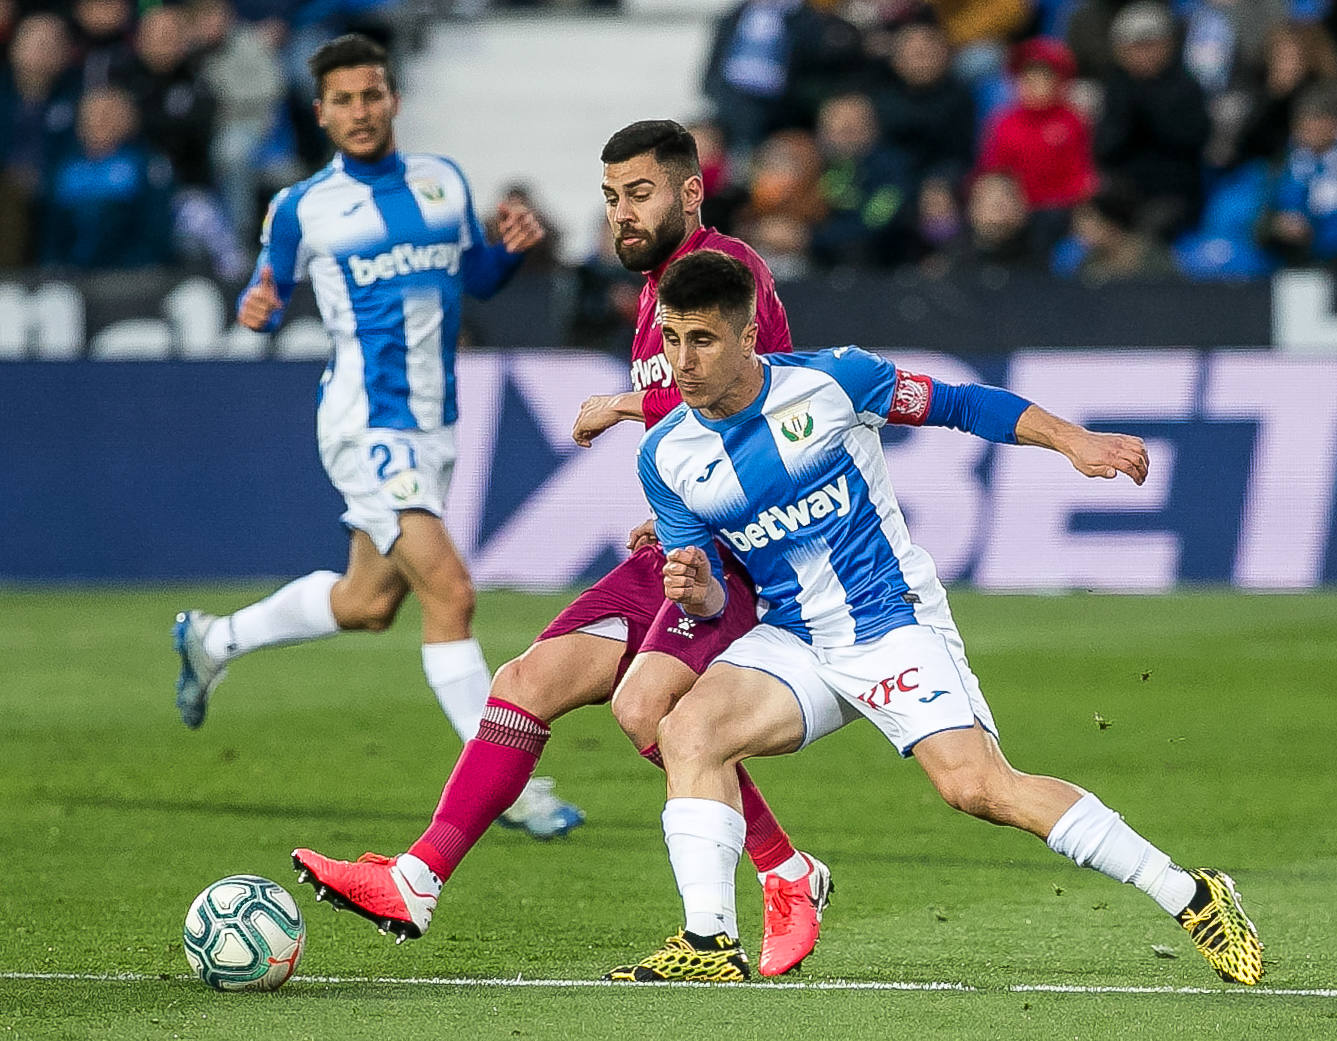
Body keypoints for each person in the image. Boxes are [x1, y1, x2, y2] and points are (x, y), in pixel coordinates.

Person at [606, 248, 1263, 985]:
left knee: (977, 788)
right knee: (686, 728)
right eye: (670, 338)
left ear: (748, 336)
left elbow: (960, 403)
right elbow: (712, 595)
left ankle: (1190, 891)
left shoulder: (832, 381)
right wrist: (695, 590)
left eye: (702, 339)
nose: (682, 361)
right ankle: (708, 941)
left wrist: (1073, 441)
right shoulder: (665, 453)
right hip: (794, 636)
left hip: (888, 623)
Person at [292, 120, 834, 979]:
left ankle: (780, 873)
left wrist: (623, 407)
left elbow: (759, 396)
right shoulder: (660, 285)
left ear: (691, 191)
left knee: (649, 709)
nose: (622, 212)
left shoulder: (725, 273)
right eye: (613, 196)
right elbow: (702, 423)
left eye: (641, 193)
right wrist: (670, 498)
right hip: (686, 537)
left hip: (738, 556)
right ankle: (415, 878)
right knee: (524, 681)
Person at [170, 33, 584, 839]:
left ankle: (212, 640)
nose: (360, 111)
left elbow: (467, 279)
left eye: (372, 95)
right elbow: (263, 288)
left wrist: (506, 253)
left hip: (436, 424)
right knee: (452, 593)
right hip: (368, 424)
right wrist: (255, 307)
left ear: (392, 98)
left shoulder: (441, 183)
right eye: (343, 100)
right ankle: (505, 784)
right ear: (320, 114)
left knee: (366, 603)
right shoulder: (301, 208)